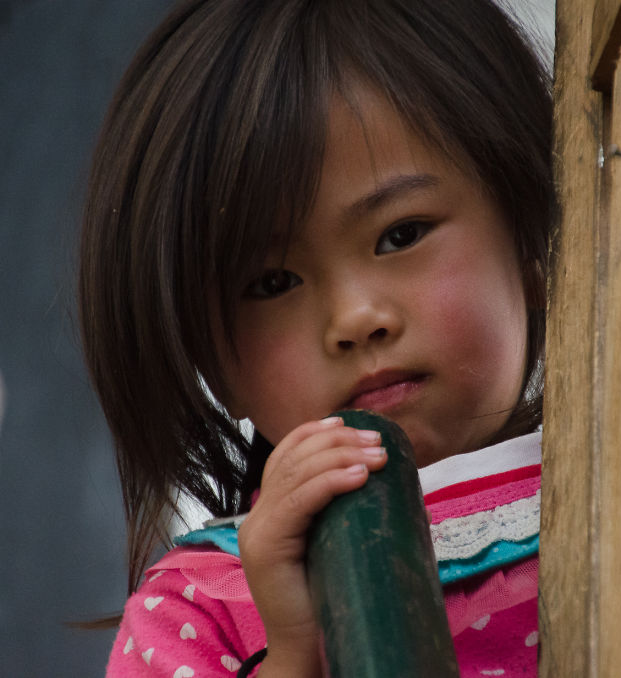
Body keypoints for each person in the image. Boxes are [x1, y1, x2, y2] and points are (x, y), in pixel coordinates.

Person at [78, 0, 556, 675]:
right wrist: (297, 649)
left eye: (401, 234)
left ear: (528, 245)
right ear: (215, 365)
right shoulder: (197, 609)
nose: (356, 318)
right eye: (273, 283)